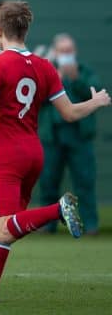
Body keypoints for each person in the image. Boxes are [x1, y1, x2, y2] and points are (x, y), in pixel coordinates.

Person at [0, 0, 110, 302]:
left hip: (6, 154)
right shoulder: (44, 66)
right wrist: (95, 103)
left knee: (0, 227)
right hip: (34, 154)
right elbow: (68, 112)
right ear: (26, 29)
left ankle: (58, 210)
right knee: (8, 228)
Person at [39, 33, 101, 234]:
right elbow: (35, 99)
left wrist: (75, 78)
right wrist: (52, 79)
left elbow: (96, 94)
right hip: (52, 135)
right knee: (48, 180)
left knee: (84, 180)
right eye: (62, 51)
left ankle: (90, 224)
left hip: (78, 135)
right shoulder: (46, 72)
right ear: (55, 52)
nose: (66, 55)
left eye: (69, 51)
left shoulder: (84, 72)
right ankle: (47, 225)